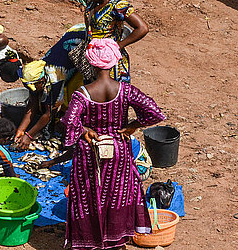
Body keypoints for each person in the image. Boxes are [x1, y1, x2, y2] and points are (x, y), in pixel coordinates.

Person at [63, 38, 165, 250]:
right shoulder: (126, 90)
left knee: (89, 195)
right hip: (118, 148)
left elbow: (69, 121)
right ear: (114, 63)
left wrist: (84, 131)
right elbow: (155, 112)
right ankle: (116, 240)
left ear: (90, 63)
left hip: (91, 151)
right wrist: (134, 125)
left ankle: (91, 240)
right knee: (117, 195)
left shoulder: (82, 94)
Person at [14, 25, 86, 150]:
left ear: (42, 81)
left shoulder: (54, 79)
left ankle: (71, 124)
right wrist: (21, 130)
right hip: (69, 45)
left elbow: (48, 113)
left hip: (83, 41)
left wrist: (29, 136)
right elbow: (32, 104)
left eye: (34, 86)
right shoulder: (38, 69)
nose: (32, 89)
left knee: (73, 94)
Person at [82, 0, 148, 82]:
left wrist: (118, 46)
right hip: (93, 62)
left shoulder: (117, 6)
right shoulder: (92, 2)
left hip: (112, 65)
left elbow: (142, 28)